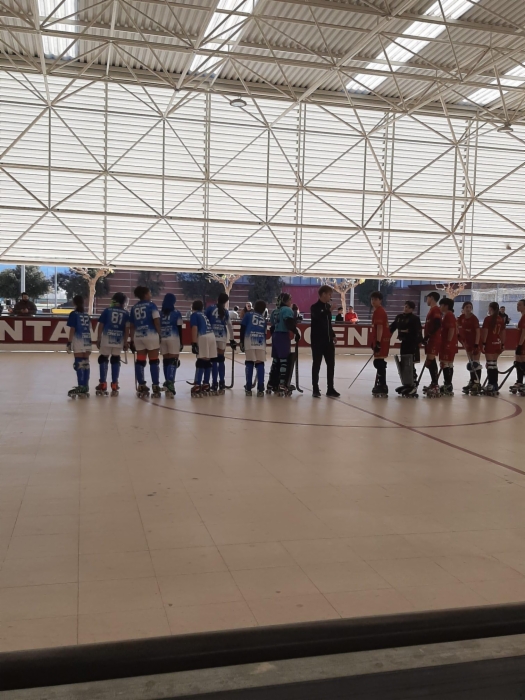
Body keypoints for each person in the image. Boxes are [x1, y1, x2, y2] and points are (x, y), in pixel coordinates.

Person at [129, 285, 162, 398]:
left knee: (140, 361)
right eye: (149, 293)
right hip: (151, 334)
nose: (150, 295)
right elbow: (156, 321)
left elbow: (132, 325)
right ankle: (155, 386)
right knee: (154, 361)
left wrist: (132, 340)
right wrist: (160, 334)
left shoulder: (134, 308)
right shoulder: (152, 305)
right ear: (145, 295)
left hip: (138, 336)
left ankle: (141, 385)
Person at [95, 292, 130, 397]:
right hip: (119, 339)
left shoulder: (107, 310)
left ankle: (103, 383)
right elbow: (127, 329)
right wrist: (125, 341)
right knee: (115, 359)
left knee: (103, 359)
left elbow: (101, 325)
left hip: (106, 338)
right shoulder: (126, 313)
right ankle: (115, 384)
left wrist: (99, 338)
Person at [310, 285, 339, 399]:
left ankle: (330, 388)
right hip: (317, 341)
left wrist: (333, 335)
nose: (330, 296)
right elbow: (318, 317)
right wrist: (329, 310)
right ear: (323, 294)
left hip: (328, 341)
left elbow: (328, 324)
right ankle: (315, 388)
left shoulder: (327, 307)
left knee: (331, 364)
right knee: (316, 364)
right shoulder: (314, 307)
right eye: (329, 294)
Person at [389, 300, 422, 397]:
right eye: (405, 306)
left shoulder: (415, 319)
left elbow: (418, 331)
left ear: (412, 309)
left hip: (412, 343)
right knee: (403, 363)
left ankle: (413, 383)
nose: (406, 308)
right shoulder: (399, 317)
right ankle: (407, 383)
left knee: (410, 363)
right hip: (404, 343)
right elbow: (392, 327)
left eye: (408, 307)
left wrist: (419, 342)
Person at [206, 292, 236, 395]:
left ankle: (214, 383)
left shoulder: (210, 309)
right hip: (222, 336)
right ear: (226, 301)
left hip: (211, 336)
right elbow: (230, 326)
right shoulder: (225, 311)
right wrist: (232, 339)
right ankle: (222, 383)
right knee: (221, 359)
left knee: (214, 360)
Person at [271, 292, 299, 396]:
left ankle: (272, 383)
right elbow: (289, 323)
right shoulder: (287, 310)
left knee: (276, 361)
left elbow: (272, 325)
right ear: (285, 301)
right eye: (289, 300)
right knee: (284, 361)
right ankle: (282, 384)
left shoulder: (275, 311)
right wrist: (296, 332)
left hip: (275, 336)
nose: (291, 302)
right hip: (283, 335)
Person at [66, 294, 92, 398]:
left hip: (78, 340)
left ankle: (81, 386)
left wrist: (69, 342)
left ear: (74, 303)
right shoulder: (86, 315)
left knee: (79, 363)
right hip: (87, 340)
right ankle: (85, 386)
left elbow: (72, 329)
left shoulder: (73, 314)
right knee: (86, 363)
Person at [240, 299, 267, 397]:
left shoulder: (248, 315)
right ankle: (260, 388)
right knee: (260, 363)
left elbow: (242, 328)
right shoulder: (264, 319)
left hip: (249, 339)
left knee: (249, 362)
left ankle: (248, 387)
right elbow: (265, 333)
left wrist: (241, 341)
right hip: (261, 341)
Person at [190, 299, 217, 397]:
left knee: (201, 360)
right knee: (207, 360)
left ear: (193, 307)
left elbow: (194, 328)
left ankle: (197, 384)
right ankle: (206, 383)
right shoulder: (203, 314)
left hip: (203, 336)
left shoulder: (194, 315)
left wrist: (194, 343)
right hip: (211, 336)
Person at [160, 293, 183, 398]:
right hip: (173, 337)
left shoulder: (160, 313)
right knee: (173, 361)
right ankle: (170, 384)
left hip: (163, 338)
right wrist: (181, 342)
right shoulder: (176, 313)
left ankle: (167, 383)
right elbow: (179, 328)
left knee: (166, 361)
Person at [481, 301, 506, 396]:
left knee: (490, 365)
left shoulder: (488, 319)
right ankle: (495, 384)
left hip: (490, 343)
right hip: (498, 343)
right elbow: (503, 333)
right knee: (494, 364)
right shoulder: (500, 319)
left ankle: (491, 384)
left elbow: (485, 332)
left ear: (490, 308)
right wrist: (502, 344)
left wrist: (483, 343)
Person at [370, 291, 391, 397]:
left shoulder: (379, 311)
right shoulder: (377, 311)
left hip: (382, 340)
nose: (373, 301)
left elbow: (379, 327)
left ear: (380, 300)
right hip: (381, 339)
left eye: (375, 299)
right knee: (379, 362)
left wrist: (378, 342)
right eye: (372, 299)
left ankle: (382, 384)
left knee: (378, 362)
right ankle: (382, 383)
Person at [457, 301, 481, 395]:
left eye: (470, 307)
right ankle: (472, 381)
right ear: (463, 308)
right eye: (466, 307)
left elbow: (478, 332)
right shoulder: (461, 318)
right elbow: (457, 326)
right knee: (471, 363)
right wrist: (459, 337)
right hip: (467, 343)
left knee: (475, 363)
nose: (468, 309)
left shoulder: (474, 319)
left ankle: (477, 383)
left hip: (475, 342)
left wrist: (476, 344)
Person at [422, 291, 442, 398]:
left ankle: (435, 385)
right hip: (430, 339)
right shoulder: (431, 310)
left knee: (430, 361)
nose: (427, 300)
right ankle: (433, 383)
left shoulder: (436, 310)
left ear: (432, 298)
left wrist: (429, 335)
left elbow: (437, 323)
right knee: (430, 361)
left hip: (433, 339)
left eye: (427, 298)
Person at [438, 298, 458, 396]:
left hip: (447, 343)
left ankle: (448, 385)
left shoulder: (448, 316)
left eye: (441, 305)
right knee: (449, 363)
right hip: (450, 343)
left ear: (446, 306)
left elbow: (451, 329)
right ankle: (448, 385)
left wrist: (448, 342)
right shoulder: (450, 315)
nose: (440, 307)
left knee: (445, 363)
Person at [510, 299, 525, 395]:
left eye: (519, 305)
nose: (517, 306)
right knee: (519, 362)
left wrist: (520, 345)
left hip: (523, 344)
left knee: (523, 363)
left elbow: (524, 333)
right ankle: (519, 381)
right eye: (517, 305)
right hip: (520, 343)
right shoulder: (522, 317)